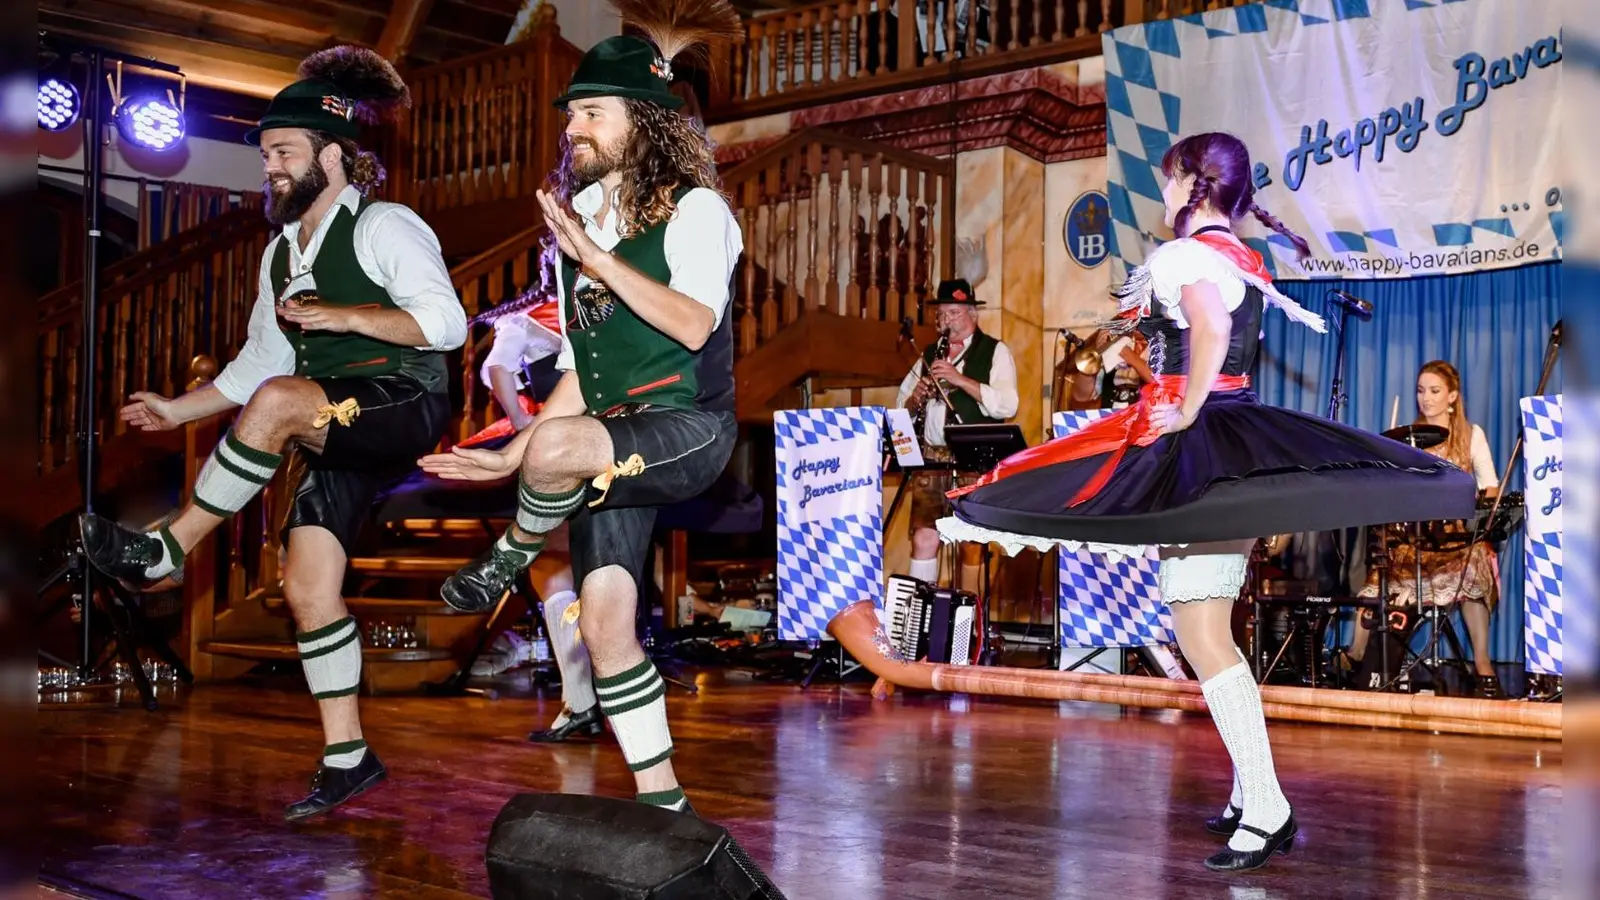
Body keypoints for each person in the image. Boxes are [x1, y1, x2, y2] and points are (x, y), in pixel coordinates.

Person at [935, 132, 1477, 871]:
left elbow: (1212, 330)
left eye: (1166, 183)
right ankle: (1248, 791)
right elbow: (1208, 333)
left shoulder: (1186, 257)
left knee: (1202, 637)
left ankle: (1268, 805)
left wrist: (1185, 408)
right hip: (1231, 449)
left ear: (1193, 184)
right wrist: (1162, 370)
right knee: (1207, 628)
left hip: (1203, 453)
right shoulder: (1241, 260)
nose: (1160, 198)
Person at [76, 48, 468, 821]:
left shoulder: (389, 224)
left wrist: (347, 316)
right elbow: (260, 360)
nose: (272, 170)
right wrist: (175, 410)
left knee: (285, 399)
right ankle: (348, 756)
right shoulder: (280, 252)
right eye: (265, 157)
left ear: (331, 154)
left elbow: (448, 324)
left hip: (402, 400)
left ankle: (166, 548)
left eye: (284, 154)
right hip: (330, 423)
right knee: (306, 586)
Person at [419, 8, 744, 815]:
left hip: (688, 427)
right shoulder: (587, 223)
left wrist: (595, 259)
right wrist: (513, 449)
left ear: (647, 123)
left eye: (592, 112)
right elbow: (580, 371)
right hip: (605, 434)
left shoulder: (697, 211)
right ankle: (665, 803)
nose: (574, 128)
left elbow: (694, 322)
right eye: (572, 113)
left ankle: (503, 562)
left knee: (562, 447)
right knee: (604, 631)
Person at [1348, 360, 1504, 697]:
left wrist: (1478, 516)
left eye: (1434, 391)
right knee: (1379, 580)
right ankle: (1358, 660)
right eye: (1421, 391)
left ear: (1452, 397)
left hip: (1455, 541)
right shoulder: (1406, 438)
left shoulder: (1471, 435)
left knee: (1475, 560)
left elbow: (1490, 486)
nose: (1425, 398)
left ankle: (1482, 663)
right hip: (1415, 541)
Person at [894, 278, 1018, 592]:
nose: (947, 321)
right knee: (924, 536)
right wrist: (916, 399)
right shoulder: (928, 353)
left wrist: (959, 379)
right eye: (942, 315)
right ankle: (918, 619)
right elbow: (900, 408)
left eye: (955, 313)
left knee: (971, 544)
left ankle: (968, 623)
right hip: (932, 460)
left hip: (973, 460)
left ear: (973, 314)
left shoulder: (994, 351)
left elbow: (1008, 403)